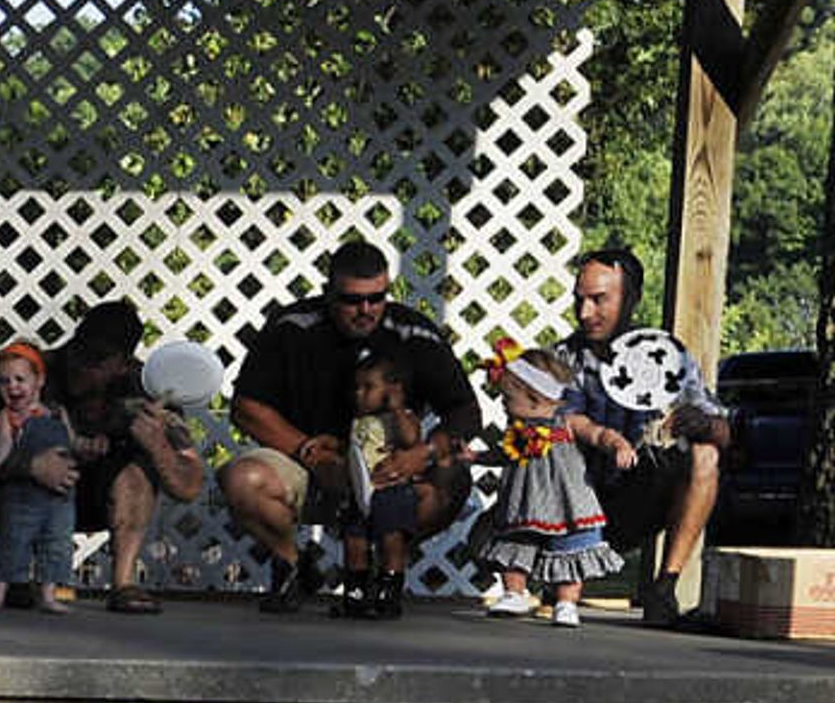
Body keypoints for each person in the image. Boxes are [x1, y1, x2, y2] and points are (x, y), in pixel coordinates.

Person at [217, 240, 482, 613]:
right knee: (242, 480)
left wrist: (422, 454)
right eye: (351, 300)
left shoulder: (413, 333)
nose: (365, 310)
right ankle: (295, 564)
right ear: (328, 293)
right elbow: (246, 407)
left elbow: (466, 410)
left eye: (377, 298)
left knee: (452, 479)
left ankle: (382, 575)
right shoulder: (293, 327)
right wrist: (311, 452)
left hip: (390, 471)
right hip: (310, 465)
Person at [549, 247, 734, 622]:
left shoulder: (666, 358)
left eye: (599, 300)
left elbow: (725, 431)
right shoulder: (562, 359)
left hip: (639, 493)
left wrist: (703, 424)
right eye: (579, 300)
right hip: (577, 498)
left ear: (631, 298)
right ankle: (557, 571)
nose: (585, 313)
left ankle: (664, 588)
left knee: (706, 454)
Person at [44, 299, 208, 613]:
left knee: (136, 473)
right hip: (42, 494)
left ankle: (124, 583)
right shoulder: (37, 371)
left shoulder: (147, 389)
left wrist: (157, 444)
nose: (80, 365)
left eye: (96, 360)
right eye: (78, 350)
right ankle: (19, 577)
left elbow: (190, 485)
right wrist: (32, 461)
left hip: (109, 496)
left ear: (123, 364)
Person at [478, 338, 624, 627]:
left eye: (508, 398)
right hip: (524, 501)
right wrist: (474, 456)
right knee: (515, 543)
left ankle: (566, 603)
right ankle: (514, 592)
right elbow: (504, 454)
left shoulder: (567, 422)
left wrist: (617, 444)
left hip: (566, 500)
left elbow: (596, 433)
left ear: (534, 398)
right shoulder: (517, 430)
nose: (504, 405)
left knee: (570, 547)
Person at [0, 343, 75, 616]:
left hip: (59, 496)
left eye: (19, 379)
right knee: (14, 542)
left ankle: (48, 595)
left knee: (56, 543)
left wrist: (82, 450)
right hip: (23, 495)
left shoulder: (56, 413)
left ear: (39, 381)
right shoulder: (8, 417)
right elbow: (3, 444)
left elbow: (70, 442)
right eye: (4, 381)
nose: (12, 387)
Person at [327, 349, 436, 621]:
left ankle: (389, 594)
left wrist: (397, 407)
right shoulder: (357, 421)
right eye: (356, 388)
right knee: (354, 540)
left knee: (391, 541)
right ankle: (356, 593)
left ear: (392, 389)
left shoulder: (400, 418)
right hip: (360, 491)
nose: (359, 394)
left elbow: (412, 440)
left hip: (391, 491)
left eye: (368, 387)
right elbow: (353, 449)